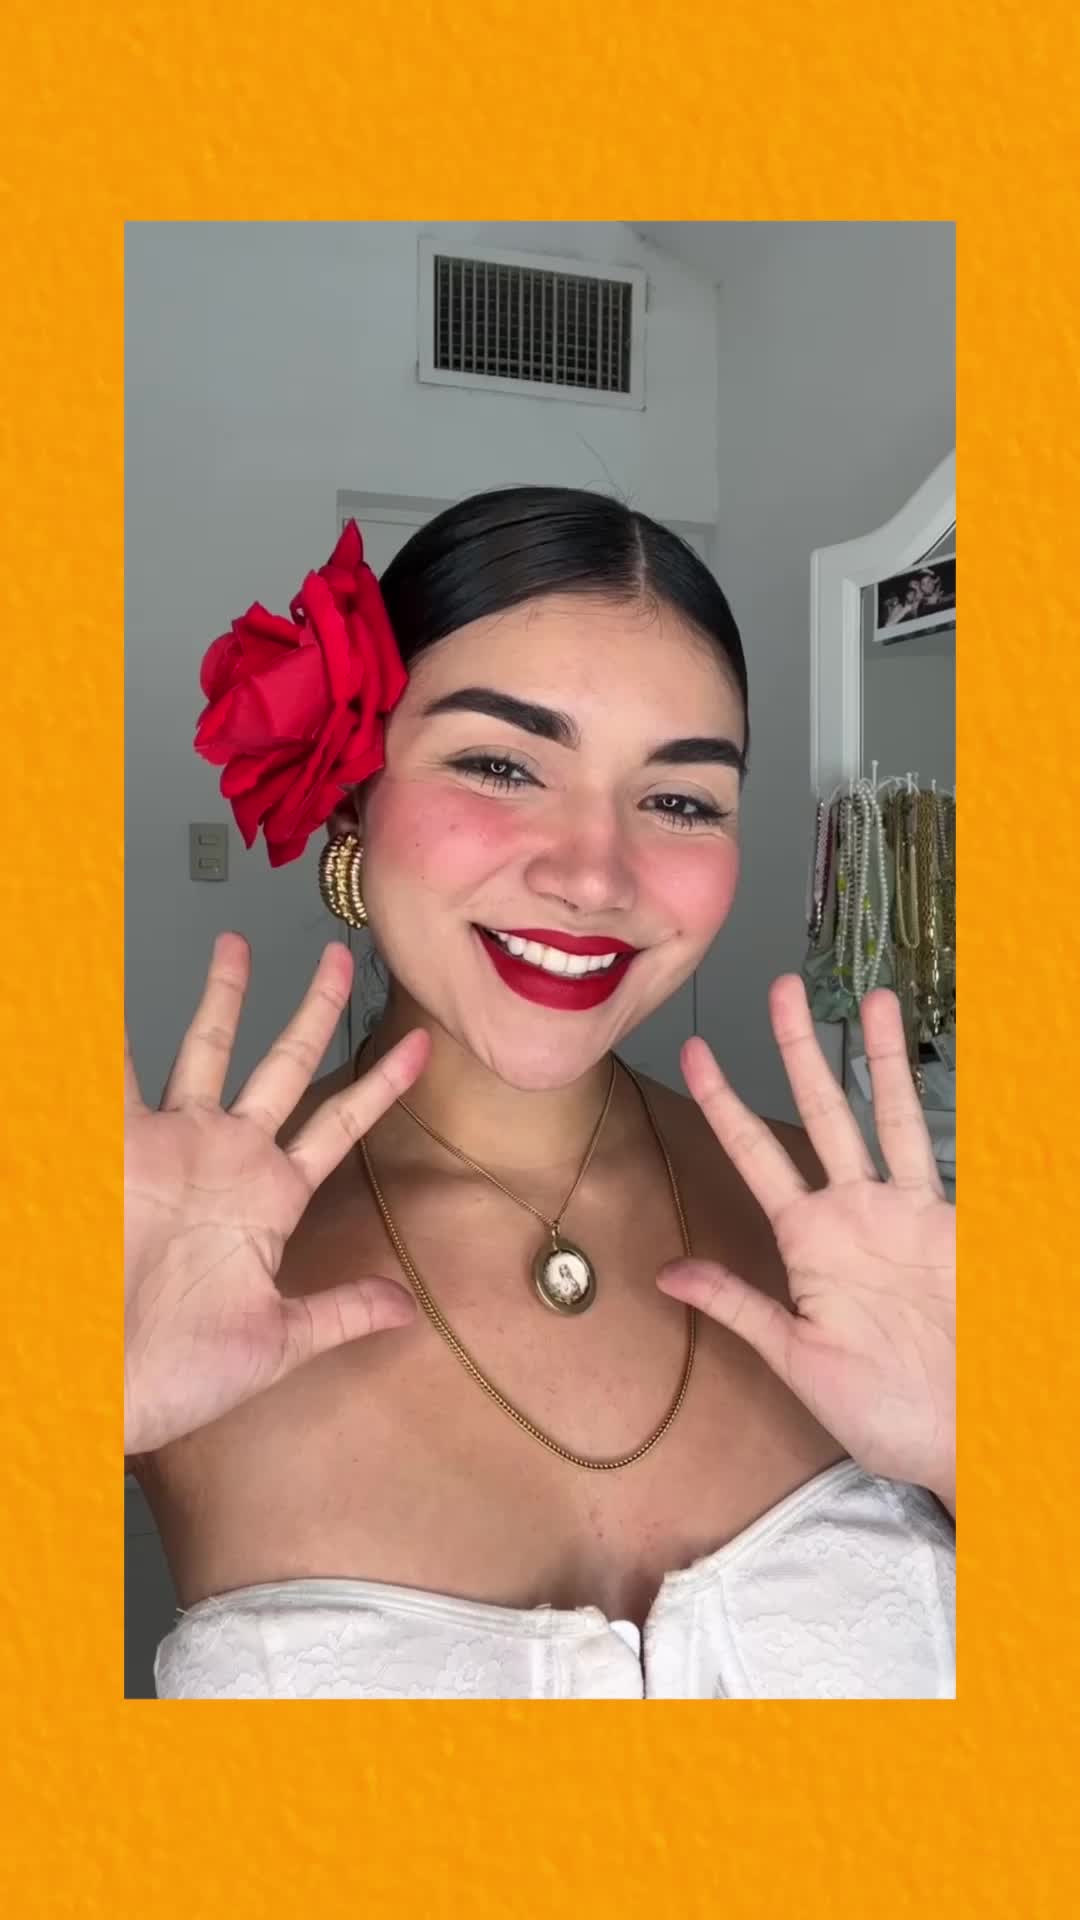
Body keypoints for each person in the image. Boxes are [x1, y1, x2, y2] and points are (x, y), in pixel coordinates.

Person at [125, 487, 955, 1700]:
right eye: (502, 765)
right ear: (352, 795)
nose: (595, 876)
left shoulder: (864, 1238)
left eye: (678, 799)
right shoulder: (148, 1272)